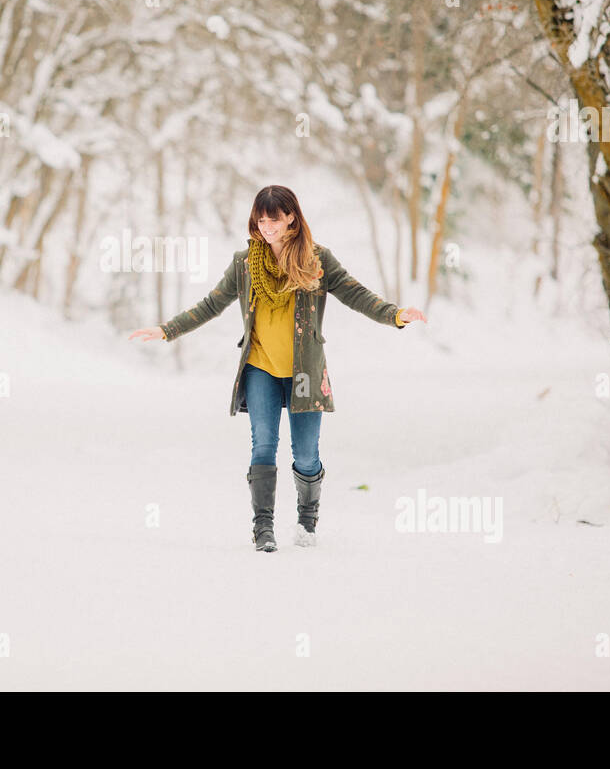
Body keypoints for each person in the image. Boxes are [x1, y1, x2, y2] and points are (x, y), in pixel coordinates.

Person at [129, 185, 426, 552]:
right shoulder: (244, 265)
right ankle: (263, 527)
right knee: (264, 444)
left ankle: (306, 516)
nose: (266, 225)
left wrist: (395, 314)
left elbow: (355, 293)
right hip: (260, 369)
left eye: (273, 218)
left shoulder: (317, 261)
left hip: (304, 371)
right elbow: (211, 305)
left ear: (291, 218)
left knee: (305, 454)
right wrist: (167, 329)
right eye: (260, 218)